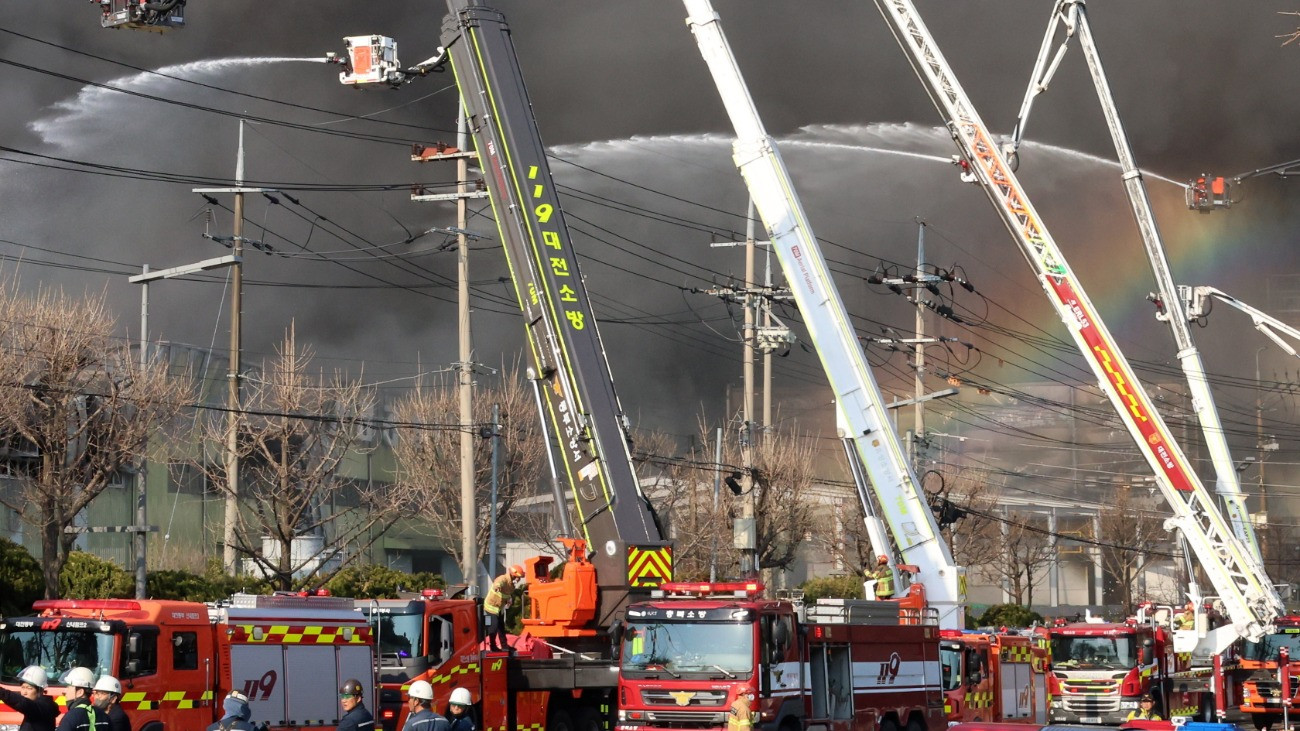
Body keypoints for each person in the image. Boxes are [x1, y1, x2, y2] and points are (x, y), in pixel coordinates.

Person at [0, 665, 58, 731]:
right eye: (23, 687)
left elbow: (23, 703)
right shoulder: (38, 706)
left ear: (40, 691)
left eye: (29, 688)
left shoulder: (43, 708)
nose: (24, 692)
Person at [484, 565, 525, 652]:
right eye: (518, 577)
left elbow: (506, 594)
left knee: (501, 628)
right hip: (491, 607)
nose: (519, 579)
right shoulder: (503, 579)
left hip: (499, 608)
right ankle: (493, 646)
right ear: (513, 575)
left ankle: (505, 646)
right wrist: (497, 587)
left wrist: (508, 600)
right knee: (494, 627)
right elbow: (498, 583)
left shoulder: (511, 585)